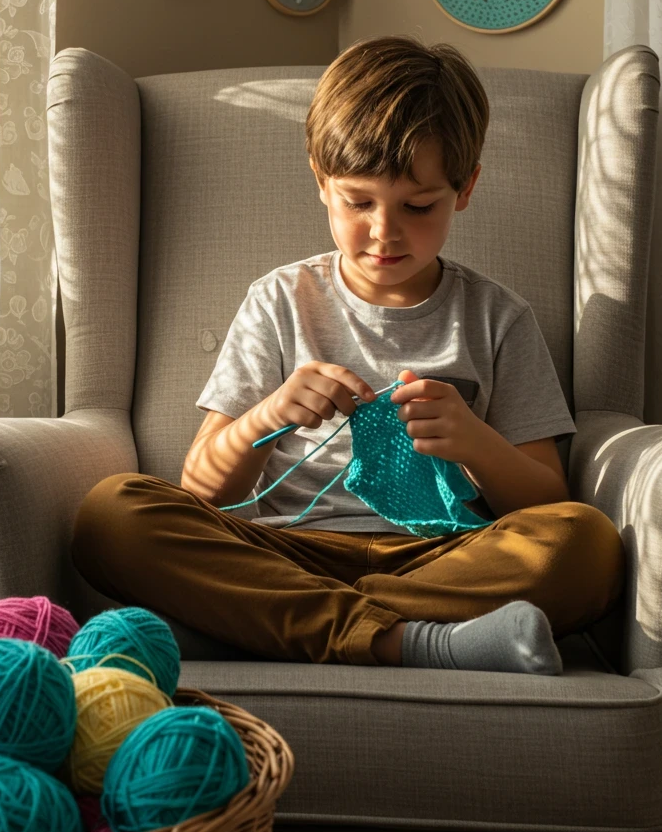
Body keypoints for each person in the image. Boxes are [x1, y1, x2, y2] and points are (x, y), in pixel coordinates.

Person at [71, 35, 625, 673]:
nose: (385, 232)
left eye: (418, 207)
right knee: (111, 513)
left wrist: (474, 442)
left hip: (441, 561)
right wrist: (268, 416)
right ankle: (413, 642)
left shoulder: (498, 317)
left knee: (587, 543)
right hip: (286, 554)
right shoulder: (281, 301)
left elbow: (545, 502)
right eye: (358, 202)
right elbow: (200, 489)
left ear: (465, 188)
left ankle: (265, 626)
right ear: (321, 181)